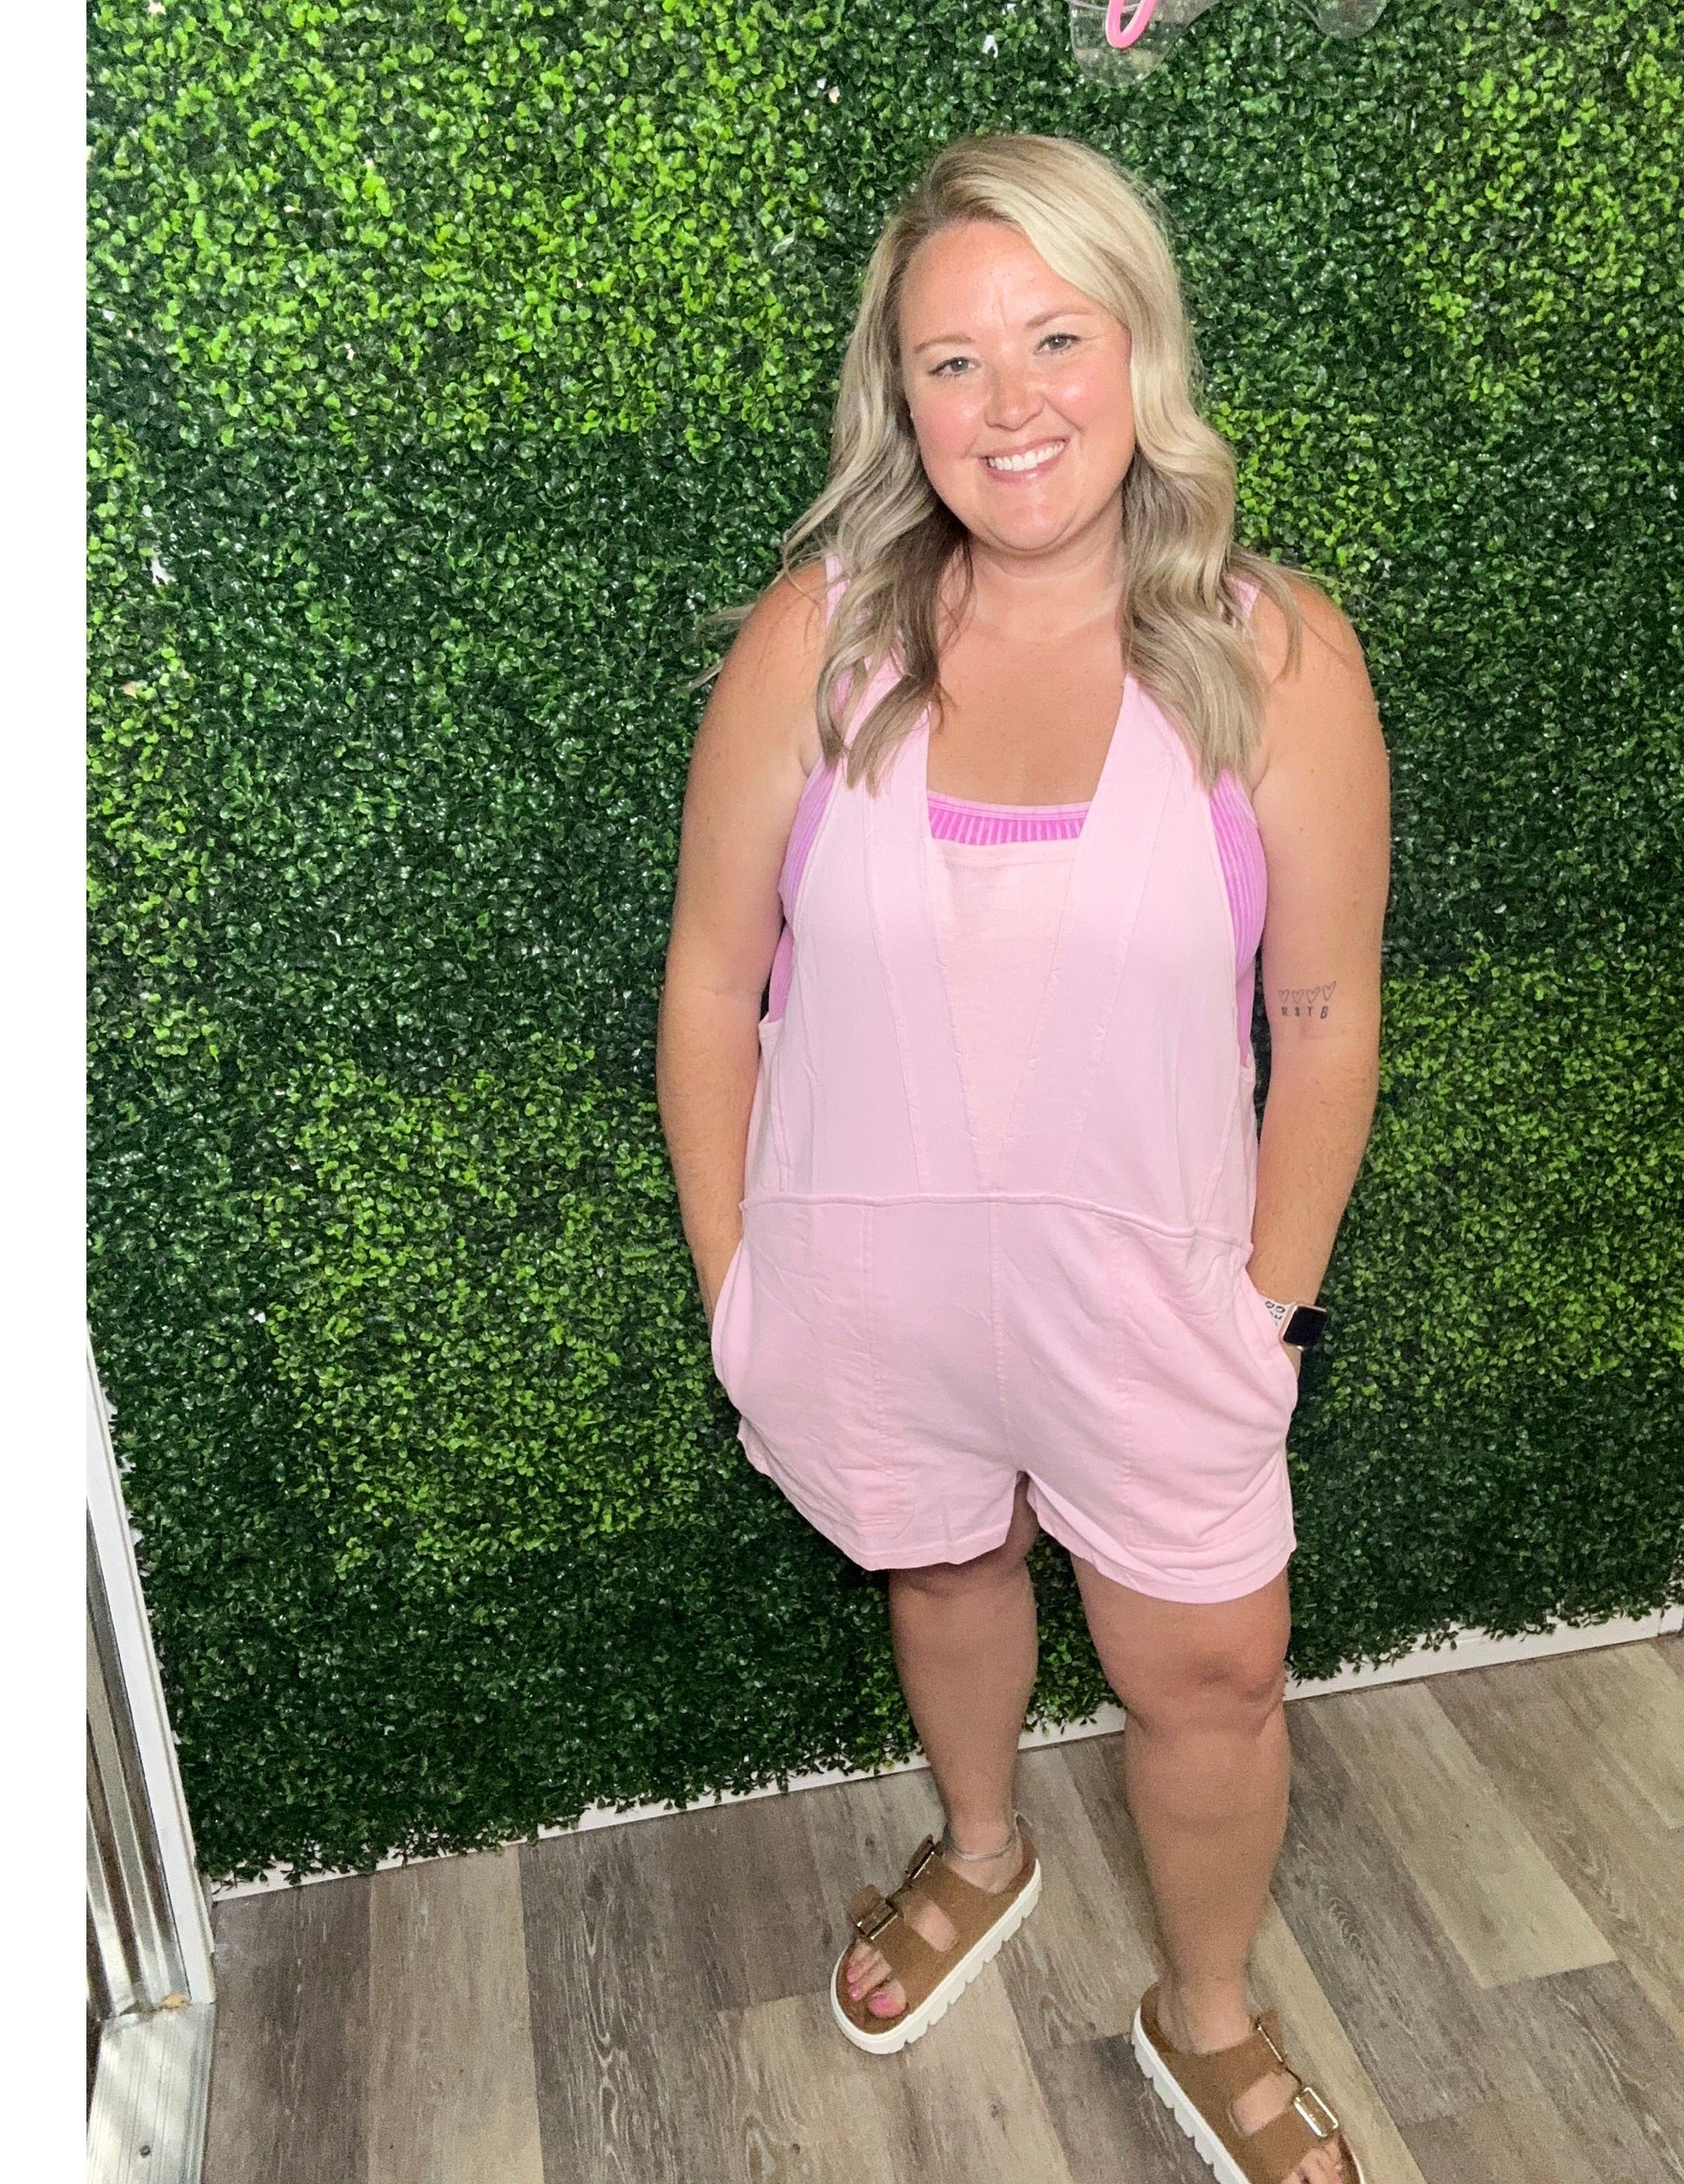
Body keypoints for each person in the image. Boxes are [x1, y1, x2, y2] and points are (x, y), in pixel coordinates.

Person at [657, 133, 1387, 2184]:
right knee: (945, 1568)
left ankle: (1208, 2011)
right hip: (873, 1296)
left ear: (1141, 347)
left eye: (1056, 337)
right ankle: (982, 1851)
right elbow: (712, 984)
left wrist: (1267, 1308)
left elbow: (1328, 1016)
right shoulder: (815, 642)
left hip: (1154, 1304)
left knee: (1213, 1671)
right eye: (952, 360)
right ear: (898, 397)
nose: (1011, 403)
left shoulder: (1273, 657)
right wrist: (743, 1288)